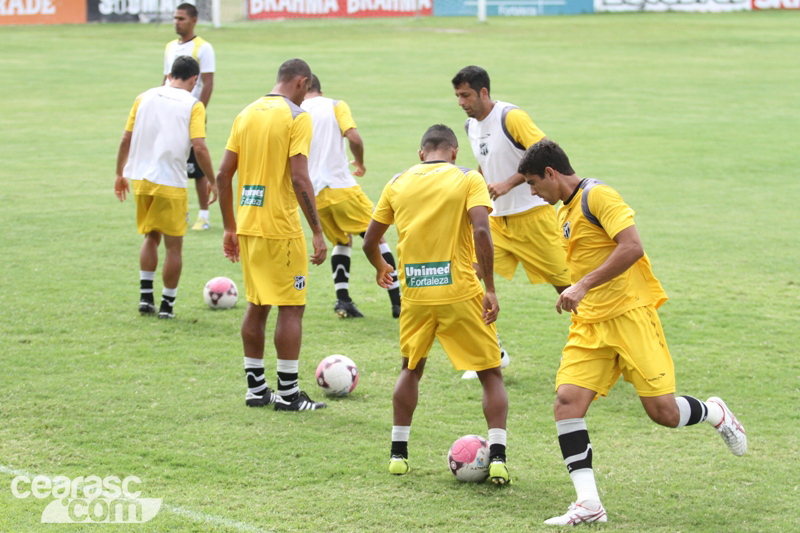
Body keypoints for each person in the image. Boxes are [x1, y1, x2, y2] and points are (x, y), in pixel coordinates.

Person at [517, 139, 747, 526]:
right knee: (566, 403)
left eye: (532, 182)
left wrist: (583, 285)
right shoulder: (564, 213)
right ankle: (588, 503)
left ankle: (715, 412)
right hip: (590, 325)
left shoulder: (599, 196)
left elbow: (632, 247)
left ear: (551, 174)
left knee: (664, 413)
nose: (532, 191)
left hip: (630, 318)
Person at [363, 124, 511, 484]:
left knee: (410, 369)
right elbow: (480, 230)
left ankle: (398, 455)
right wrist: (489, 286)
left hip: (415, 294)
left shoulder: (397, 181)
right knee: (490, 372)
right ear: (454, 152)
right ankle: (498, 459)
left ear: (421, 154)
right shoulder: (466, 179)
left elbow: (370, 240)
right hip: (460, 292)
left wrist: (381, 267)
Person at [216, 59, 328, 411]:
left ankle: (256, 389)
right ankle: (290, 394)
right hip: (280, 227)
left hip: (248, 224)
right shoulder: (297, 117)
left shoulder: (246, 113)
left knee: (257, 304)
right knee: (292, 308)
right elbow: (298, 178)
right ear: (301, 82)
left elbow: (222, 175)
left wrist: (229, 226)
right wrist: (317, 230)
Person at [452, 65, 571, 379]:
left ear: (484, 93)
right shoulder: (469, 126)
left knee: (570, 288)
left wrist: (507, 183)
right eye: (457, 96)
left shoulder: (510, 118)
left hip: (534, 218)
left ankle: (604, 345)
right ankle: (493, 352)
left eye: (466, 95)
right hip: (497, 222)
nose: (461, 102)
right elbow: (484, 162)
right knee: (468, 274)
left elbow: (545, 153)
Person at [115, 56, 217, 319]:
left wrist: (119, 173)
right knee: (174, 247)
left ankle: (145, 297)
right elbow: (200, 147)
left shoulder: (144, 97)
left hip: (141, 180)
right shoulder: (193, 105)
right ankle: (166, 306)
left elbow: (126, 137)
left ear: (170, 74)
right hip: (170, 182)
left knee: (150, 236)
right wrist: (214, 181)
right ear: (194, 80)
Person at [301, 74, 401, 319]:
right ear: (320, 90)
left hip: (313, 194)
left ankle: (343, 300)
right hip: (341, 187)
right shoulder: (335, 105)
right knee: (378, 238)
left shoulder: (295, 111)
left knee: (342, 242)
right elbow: (354, 137)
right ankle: (398, 302)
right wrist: (361, 162)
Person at [163, 3, 216, 231]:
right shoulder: (169, 47)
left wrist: (198, 112)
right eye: (175, 18)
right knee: (174, 162)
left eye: (181, 18)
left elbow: (208, 84)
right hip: (170, 116)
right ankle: (180, 211)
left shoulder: (203, 48)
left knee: (197, 167)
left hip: (190, 115)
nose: (177, 22)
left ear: (193, 20)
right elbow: (165, 79)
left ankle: (204, 216)